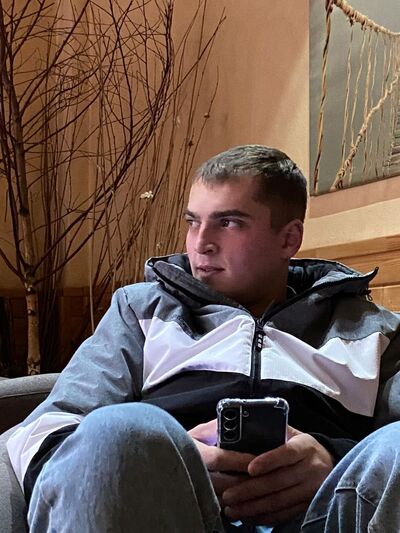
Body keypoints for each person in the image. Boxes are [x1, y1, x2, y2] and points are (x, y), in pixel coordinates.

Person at [7, 145, 400, 532]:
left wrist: (333, 457)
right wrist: (167, 459)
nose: (200, 243)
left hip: (323, 514)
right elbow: (48, 428)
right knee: (120, 428)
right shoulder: (140, 311)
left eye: (228, 223)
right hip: (167, 513)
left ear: (288, 239)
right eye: (193, 222)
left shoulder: (372, 330)